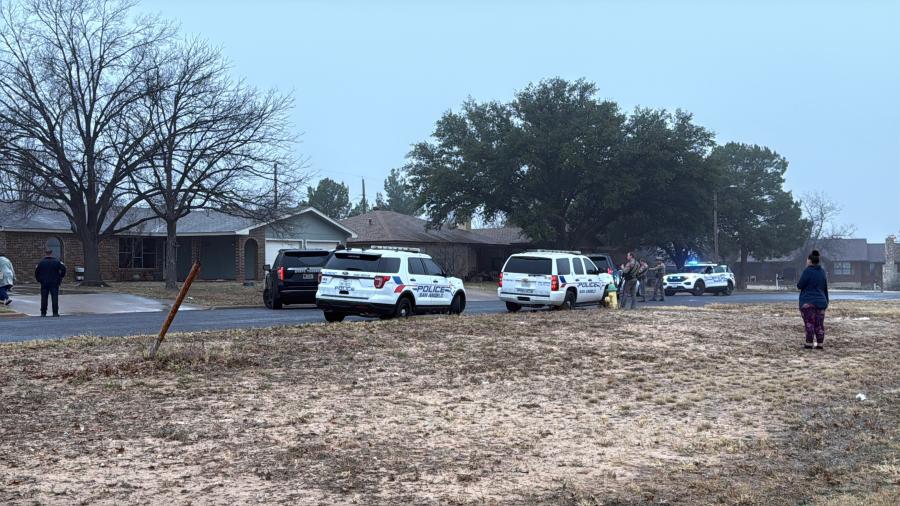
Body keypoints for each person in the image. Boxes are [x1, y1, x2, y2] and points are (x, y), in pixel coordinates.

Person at [797, 249, 829, 350]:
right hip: (821, 301)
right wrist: (826, 301)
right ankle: (820, 344)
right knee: (819, 324)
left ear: (810, 260)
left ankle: (809, 343)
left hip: (808, 301)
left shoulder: (807, 271)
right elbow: (825, 287)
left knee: (809, 323)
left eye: (807, 259)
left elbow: (800, 285)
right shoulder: (822, 272)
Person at [34, 248, 67, 317]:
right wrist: (60, 277)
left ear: (45, 253)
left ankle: (43, 313)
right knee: (54, 297)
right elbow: (64, 269)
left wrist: (39, 280)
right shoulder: (57, 261)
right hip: (54, 282)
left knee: (44, 297)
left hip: (44, 282)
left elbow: (36, 272)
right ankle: (55, 312)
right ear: (51, 253)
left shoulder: (41, 262)